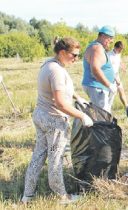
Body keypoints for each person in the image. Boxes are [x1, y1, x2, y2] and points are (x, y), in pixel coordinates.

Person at [21, 37, 93, 204]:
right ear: (62, 52)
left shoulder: (50, 64)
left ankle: (27, 196)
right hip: (53, 120)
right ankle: (62, 196)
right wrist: (81, 115)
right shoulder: (56, 71)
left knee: (38, 156)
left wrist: (77, 97)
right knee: (56, 159)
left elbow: (61, 89)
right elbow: (60, 103)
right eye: (73, 55)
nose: (76, 59)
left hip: (41, 115)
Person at [82, 25, 117, 113]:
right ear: (103, 36)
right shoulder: (97, 48)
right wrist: (109, 85)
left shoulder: (97, 47)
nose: (112, 41)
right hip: (97, 87)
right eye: (110, 38)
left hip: (99, 87)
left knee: (103, 114)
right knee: (102, 116)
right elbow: (95, 69)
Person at [107, 41, 128, 110]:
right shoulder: (109, 55)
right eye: (119, 50)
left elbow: (119, 61)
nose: (120, 52)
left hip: (117, 75)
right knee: (111, 94)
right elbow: (110, 70)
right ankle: (107, 109)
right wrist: (116, 79)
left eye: (121, 50)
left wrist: (123, 67)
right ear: (115, 47)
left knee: (121, 90)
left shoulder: (118, 54)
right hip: (110, 77)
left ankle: (126, 107)